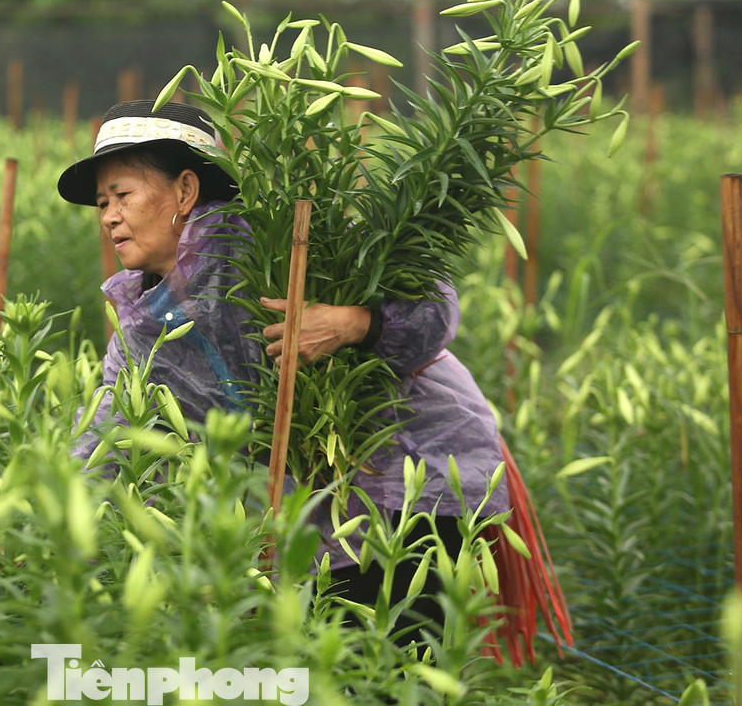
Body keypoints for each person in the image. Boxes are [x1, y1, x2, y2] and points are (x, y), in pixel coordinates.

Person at [58, 99, 550, 652]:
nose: (106, 215)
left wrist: (352, 322)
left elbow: (433, 308)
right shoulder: (146, 321)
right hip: (310, 518)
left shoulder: (281, 242)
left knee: (393, 670)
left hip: (409, 484)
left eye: (121, 195)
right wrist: (55, 530)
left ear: (185, 191)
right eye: (102, 202)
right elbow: (109, 428)